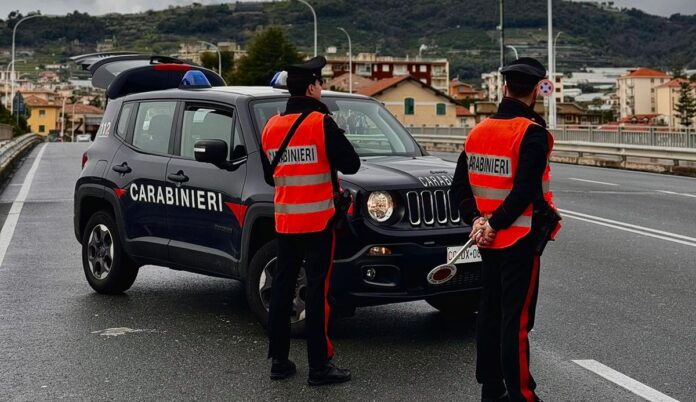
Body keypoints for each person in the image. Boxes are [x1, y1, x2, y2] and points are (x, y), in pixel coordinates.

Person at [450, 57, 561, 402]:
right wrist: (495, 224)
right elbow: (525, 191)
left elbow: (459, 188)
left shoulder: (478, 131)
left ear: (504, 87)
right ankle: (521, 393)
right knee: (517, 320)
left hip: (487, 239)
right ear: (536, 92)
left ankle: (491, 387)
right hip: (519, 238)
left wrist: (478, 222)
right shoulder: (532, 133)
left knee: (490, 313)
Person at [261, 56, 360, 386]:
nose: (323, 88)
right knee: (318, 292)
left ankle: (278, 360)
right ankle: (320, 366)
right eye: (321, 83)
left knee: (282, 289)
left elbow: (269, 173)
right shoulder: (321, 123)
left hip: (286, 222)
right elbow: (352, 163)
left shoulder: (271, 126)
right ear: (312, 87)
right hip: (319, 222)